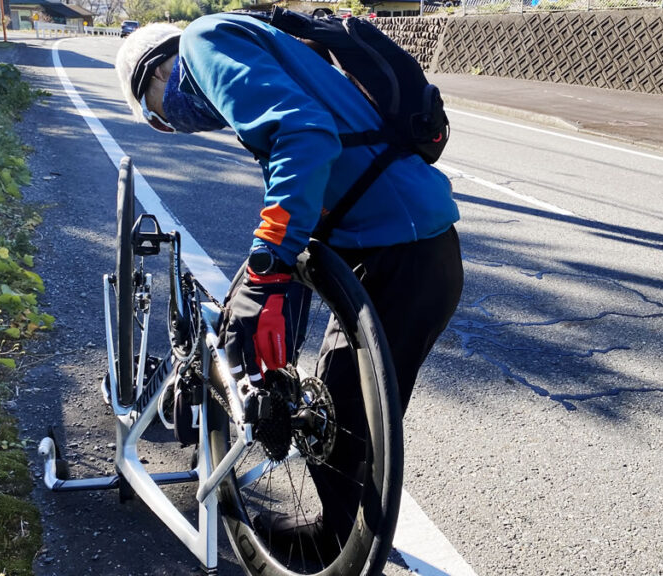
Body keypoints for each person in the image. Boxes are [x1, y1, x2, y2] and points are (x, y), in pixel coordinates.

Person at [115, 14, 463, 554]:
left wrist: (265, 265)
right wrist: (265, 282)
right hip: (410, 243)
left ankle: (333, 545)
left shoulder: (204, 43)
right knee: (346, 403)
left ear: (157, 73)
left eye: (162, 119)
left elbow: (304, 139)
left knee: (342, 411)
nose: (178, 126)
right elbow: (309, 186)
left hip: (401, 247)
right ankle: (240, 450)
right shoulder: (262, 47)